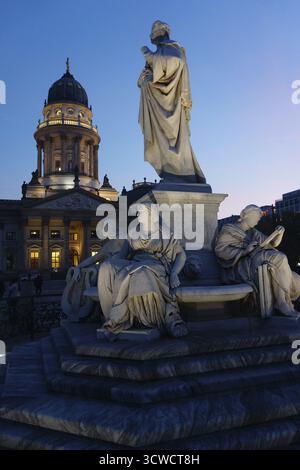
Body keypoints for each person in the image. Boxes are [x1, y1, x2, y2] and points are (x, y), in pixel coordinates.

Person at [97, 203, 188, 338]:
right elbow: (122, 256)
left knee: (142, 272)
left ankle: (148, 319)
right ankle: (113, 317)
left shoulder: (164, 233)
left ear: (151, 215)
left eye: (141, 213)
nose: (138, 215)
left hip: (155, 264)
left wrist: (174, 273)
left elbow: (182, 255)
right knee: (106, 267)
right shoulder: (133, 233)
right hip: (134, 262)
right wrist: (108, 260)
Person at [138, 20, 206, 183]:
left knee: (175, 139)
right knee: (161, 138)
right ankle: (170, 170)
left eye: (154, 35)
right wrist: (144, 79)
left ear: (163, 32)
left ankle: (181, 172)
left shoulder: (173, 49)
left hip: (172, 103)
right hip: (158, 103)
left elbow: (175, 62)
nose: (153, 39)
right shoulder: (161, 51)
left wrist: (150, 56)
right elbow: (148, 76)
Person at [214, 204, 300, 318]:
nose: (257, 221)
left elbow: (272, 244)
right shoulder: (229, 229)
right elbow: (221, 251)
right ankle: (281, 302)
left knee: (289, 269)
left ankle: (283, 301)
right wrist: (245, 251)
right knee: (279, 258)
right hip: (242, 264)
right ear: (246, 216)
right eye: (256, 218)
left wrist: (280, 234)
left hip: (257, 258)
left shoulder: (253, 232)